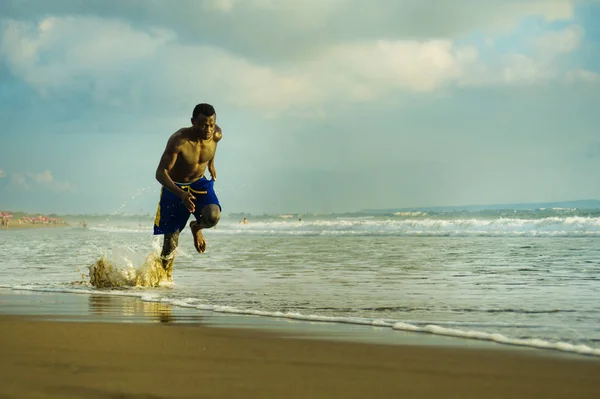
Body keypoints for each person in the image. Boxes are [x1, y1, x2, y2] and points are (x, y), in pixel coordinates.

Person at [153, 103, 223, 278]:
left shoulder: (216, 135)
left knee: (213, 216)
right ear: (193, 122)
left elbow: (211, 149)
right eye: (203, 125)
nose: (208, 129)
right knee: (170, 242)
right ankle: (164, 280)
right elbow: (160, 174)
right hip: (175, 186)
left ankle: (196, 227)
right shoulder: (179, 141)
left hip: (199, 182)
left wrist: (212, 165)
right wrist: (181, 193)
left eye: (211, 125)